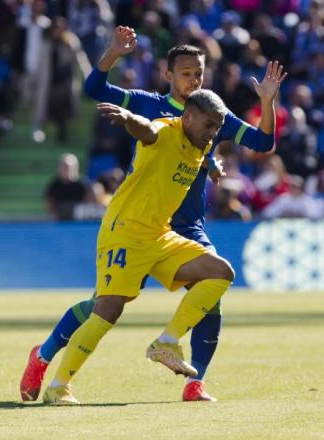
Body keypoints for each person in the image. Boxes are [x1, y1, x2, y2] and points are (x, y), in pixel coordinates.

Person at [21, 26, 286, 403]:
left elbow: (263, 142)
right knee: (105, 306)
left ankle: (194, 380)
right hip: (133, 223)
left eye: (198, 72)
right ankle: (44, 358)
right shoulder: (151, 107)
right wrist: (113, 55)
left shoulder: (214, 114)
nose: (193, 79)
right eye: (185, 73)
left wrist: (267, 102)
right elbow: (110, 101)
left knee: (213, 289)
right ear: (168, 75)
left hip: (181, 226)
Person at [41, 90, 233, 405]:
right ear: (187, 117)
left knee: (220, 272)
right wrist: (130, 119)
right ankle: (58, 387)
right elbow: (148, 130)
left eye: (217, 127)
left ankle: (166, 342)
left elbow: (204, 153)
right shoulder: (165, 130)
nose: (213, 132)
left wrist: (212, 165)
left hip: (159, 234)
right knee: (107, 311)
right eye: (209, 124)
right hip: (125, 232)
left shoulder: (202, 144)